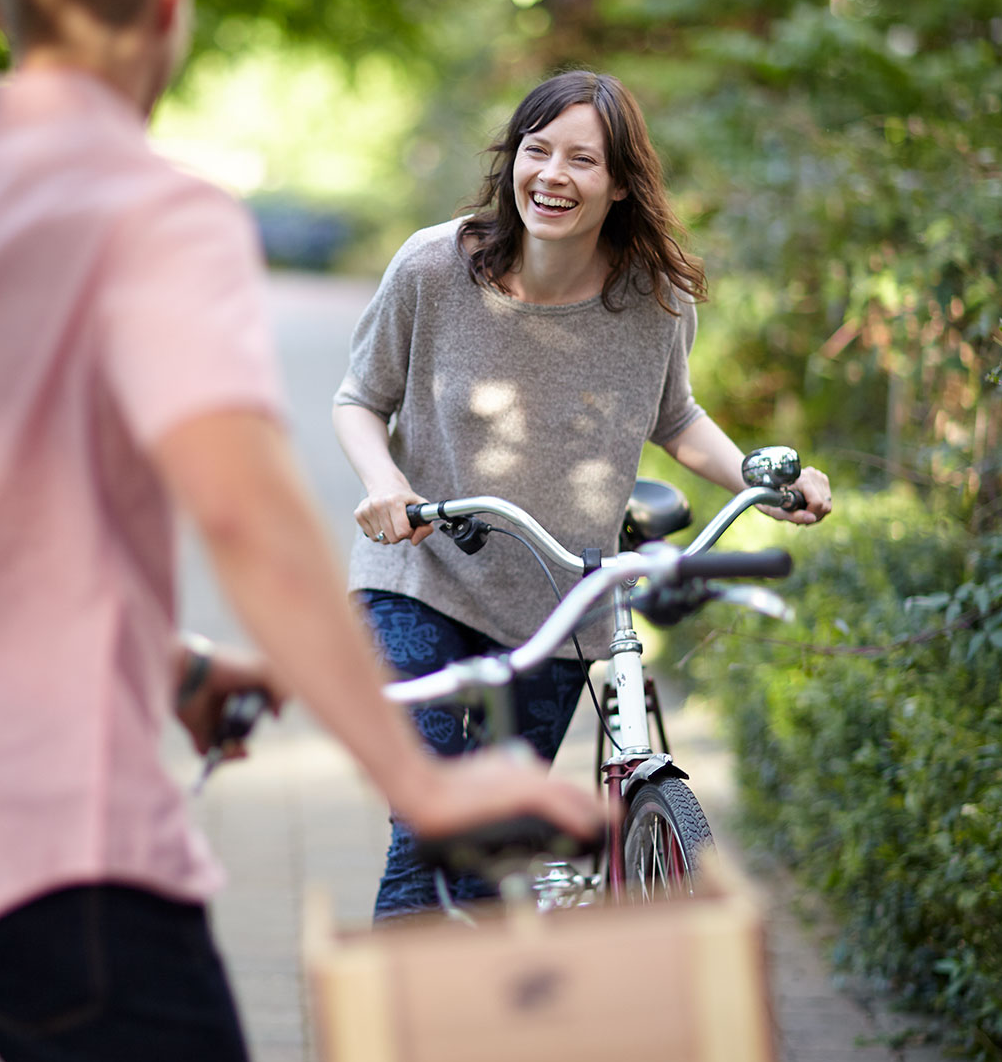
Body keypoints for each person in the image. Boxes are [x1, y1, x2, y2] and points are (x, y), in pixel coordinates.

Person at [0, 0, 602, 1062]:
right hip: (49, 842)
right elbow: (244, 516)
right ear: (172, 2)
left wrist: (173, 662)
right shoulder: (155, 212)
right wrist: (422, 782)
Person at [332, 70, 833, 921]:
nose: (552, 175)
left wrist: (759, 476)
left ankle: (484, 1035)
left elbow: (676, 418)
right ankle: (400, 1042)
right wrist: (385, 485)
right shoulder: (433, 267)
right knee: (428, 826)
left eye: (581, 160)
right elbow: (358, 398)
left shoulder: (654, 300)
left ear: (621, 184)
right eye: (537, 151)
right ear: (512, 162)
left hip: (558, 608)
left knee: (494, 855)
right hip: (417, 576)